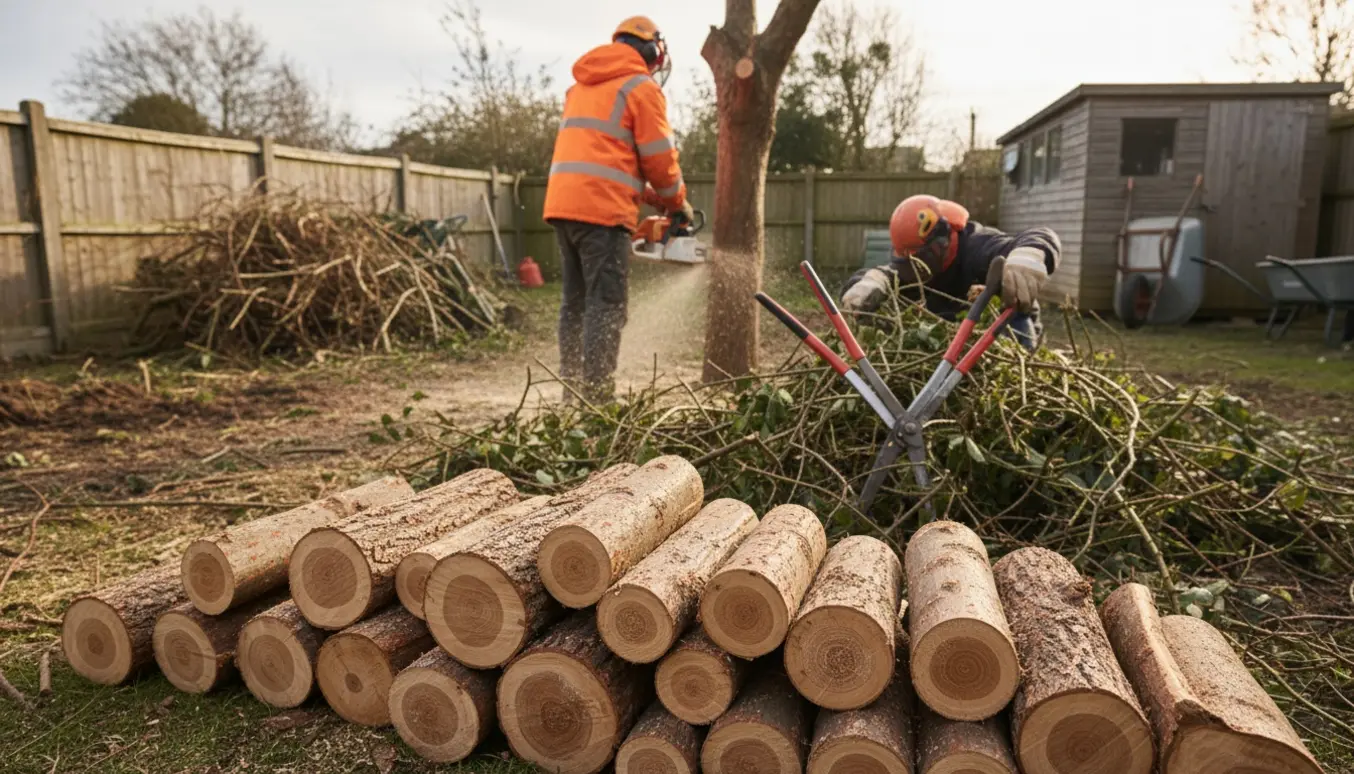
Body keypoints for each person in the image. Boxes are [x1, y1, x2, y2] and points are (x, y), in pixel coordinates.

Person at [543, 16, 693, 403]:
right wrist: (677, 202)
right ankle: (597, 400)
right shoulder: (641, 88)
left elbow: (604, 161)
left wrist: (654, 200)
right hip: (602, 215)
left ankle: (572, 393)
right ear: (649, 51)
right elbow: (660, 160)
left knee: (575, 302)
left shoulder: (581, 87)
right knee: (606, 304)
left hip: (563, 205)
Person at [841, 195, 1061, 349]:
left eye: (920, 259)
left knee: (1014, 321)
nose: (917, 269)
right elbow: (888, 274)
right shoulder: (913, 268)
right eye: (910, 262)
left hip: (1004, 341)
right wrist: (870, 282)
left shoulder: (977, 246)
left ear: (942, 242)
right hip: (951, 348)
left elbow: (1041, 236)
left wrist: (1028, 256)